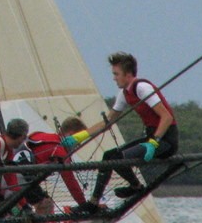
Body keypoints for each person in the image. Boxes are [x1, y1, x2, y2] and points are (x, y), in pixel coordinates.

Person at [62, 52, 179, 211]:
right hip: (151, 138)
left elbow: (166, 117)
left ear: (128, 74)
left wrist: (154, 142)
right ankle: (94, 202)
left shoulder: (142, 88)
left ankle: (135, 186)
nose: (114, 78)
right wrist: (79, 137)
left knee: (117, 157)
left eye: (116, 74)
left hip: (165, 141)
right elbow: (107, 122)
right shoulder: (124, 94)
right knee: (108, 156)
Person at [21, 116, 89, 210]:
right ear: (71, 135)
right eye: (78, 143)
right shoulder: (59, 150)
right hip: (22, 179)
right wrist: (83, 204)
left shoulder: (38, 134)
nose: (77, 147)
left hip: (13, 176)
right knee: (46, 205)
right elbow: (70, 181)